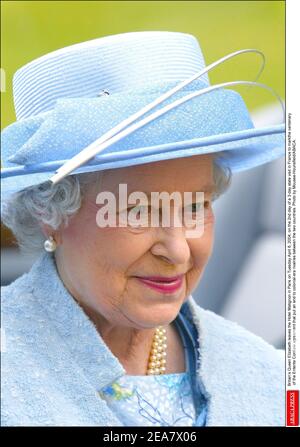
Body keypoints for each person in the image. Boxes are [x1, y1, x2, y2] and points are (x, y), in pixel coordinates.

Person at [0, 31, 285, 426]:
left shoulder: (271, 380)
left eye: (195, 206)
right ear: (51, 212)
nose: (179, 251)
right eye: (139, 212)